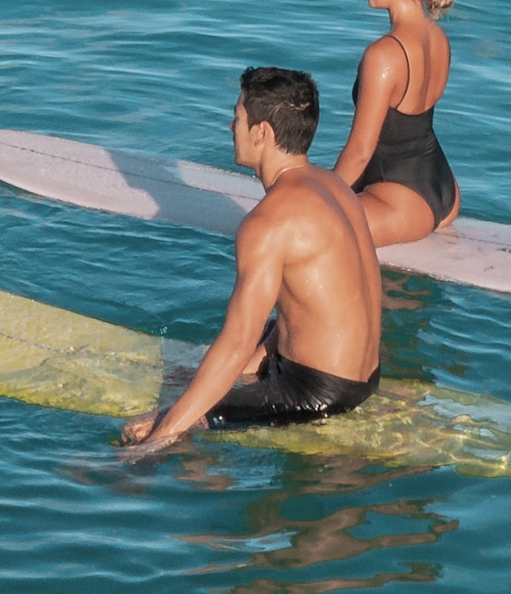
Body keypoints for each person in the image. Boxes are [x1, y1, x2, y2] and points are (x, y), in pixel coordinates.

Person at [120, 68, 383, 450]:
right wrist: (256, 358)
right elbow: (310, 299)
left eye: (239, 118)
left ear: (263, 133)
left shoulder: (267, 222)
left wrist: (165, 430)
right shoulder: (337, 187)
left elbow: (236, 340)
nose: (231, 126)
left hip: (316, 393)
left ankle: (158, 474)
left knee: (145, 432)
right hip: (364, 376)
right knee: (247, 346)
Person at [333, 0, 460, 248]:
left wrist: (324, 201)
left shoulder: (384, 56)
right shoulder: (438, 38)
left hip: (401, 200)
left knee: (305, 226)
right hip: (443, 186)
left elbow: (360, 152)